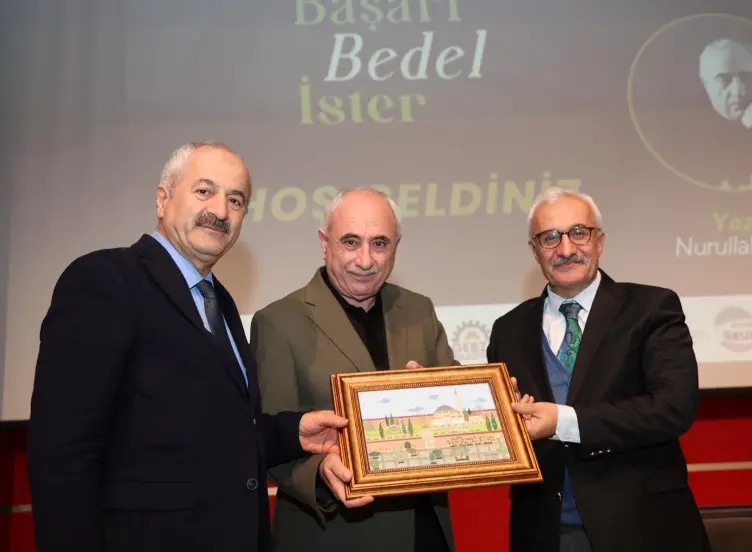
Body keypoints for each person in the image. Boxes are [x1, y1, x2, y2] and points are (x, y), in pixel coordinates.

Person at [27, 141, 348, 552]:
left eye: (236, 200)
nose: (220, 210)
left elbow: (206, 433)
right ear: (163, 199)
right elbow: (63, 450)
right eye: (204, 191)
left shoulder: (219, 300)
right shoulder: (105, 280)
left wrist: (292, 433)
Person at [489, 187, 710, 552]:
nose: (565, 249)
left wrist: (561, 421)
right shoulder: (508, 329)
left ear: (600, 241)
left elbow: (673, 408)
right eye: (550, 237)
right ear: (534, 251)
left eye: (579, 232)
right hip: (545, 533)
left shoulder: (652, 308)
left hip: (642, 529)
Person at [250, 187, 456, 552]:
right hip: (336, 533)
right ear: (324, 243)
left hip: (425, 530)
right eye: (350, 242)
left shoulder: (419, 309)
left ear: (396, 246)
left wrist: (469, 399)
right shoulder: (278, 322)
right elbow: (265, 437)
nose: (365, 260)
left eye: (379, 244)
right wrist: (319, 470)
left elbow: (455, 393)